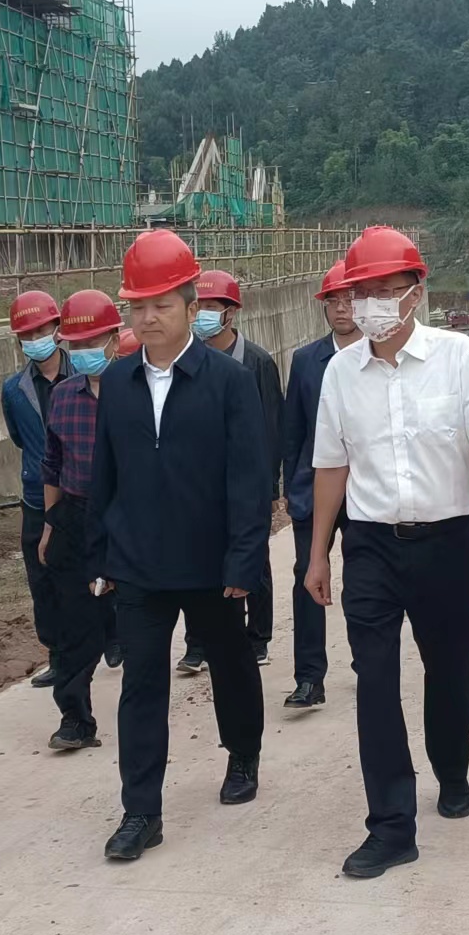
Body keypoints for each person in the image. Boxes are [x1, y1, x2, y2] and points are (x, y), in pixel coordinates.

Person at [305, 226, 469, 879]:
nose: (369, 305)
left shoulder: (458, 358)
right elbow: (331, 466)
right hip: (370, 545)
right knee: (374, 678)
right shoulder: (340, 373)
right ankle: (391, 826)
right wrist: (318, 554)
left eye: (384, 291)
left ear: (416, 292)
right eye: (360, 292)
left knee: (450, 670)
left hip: (448, 541)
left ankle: (452, 767)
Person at [88, 230, 271, 862]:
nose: (148, 318)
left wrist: (244, 559)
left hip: (211, 561)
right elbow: (103, 476)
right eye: (137, 306)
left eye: (161, 305)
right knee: (141, 685)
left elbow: (250, 480)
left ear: (192, 308)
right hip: (138, 563)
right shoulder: (117, 382)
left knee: (230, 663)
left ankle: (242, 752)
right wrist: (101, 556)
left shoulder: (229, 381)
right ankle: (141, 811)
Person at [36, 289, 127, 754]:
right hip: (74, 515)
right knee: (74, 622)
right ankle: (75, 717)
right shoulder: (62, 396)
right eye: (76, 344)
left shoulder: (136, 392)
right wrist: (50, 525)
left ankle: (141, 710)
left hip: (127, 515)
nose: (85, 351)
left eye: (93, 341)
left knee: (137, 615)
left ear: (114, 339)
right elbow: (52, 463)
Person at [178, 270, 283, 671]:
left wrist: (269, 489)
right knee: (196, 560)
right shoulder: (187, 363)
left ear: (231, 313)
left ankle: (257, 637)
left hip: (245, 482)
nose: (204, 314)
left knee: (253, 557)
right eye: (200, 306)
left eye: (212, 307)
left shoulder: (257, 363)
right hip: (199, 484)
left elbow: (271, 427)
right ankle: (197, 643)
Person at [278, 259, 361, 707]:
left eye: (350, 299)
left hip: (366, 490)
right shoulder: (307, 360)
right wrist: (293, 488)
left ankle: (367, 661)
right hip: (315, 488)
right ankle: (309, 677)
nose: (342, 308)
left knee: (364, 578)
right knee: (307, 577)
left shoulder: (378, 354)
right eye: (334, 301)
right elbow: (292, 431)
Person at [1, 291, 67, 690]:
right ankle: (57, 655)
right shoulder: (14, 390)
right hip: (36, 497)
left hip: (80, 491)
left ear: (58, 329)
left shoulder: (84, 375)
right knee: (42, 580)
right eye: (26, 334)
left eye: (41, 330)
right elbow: (18, 437)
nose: (34, 339)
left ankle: (111, 635)